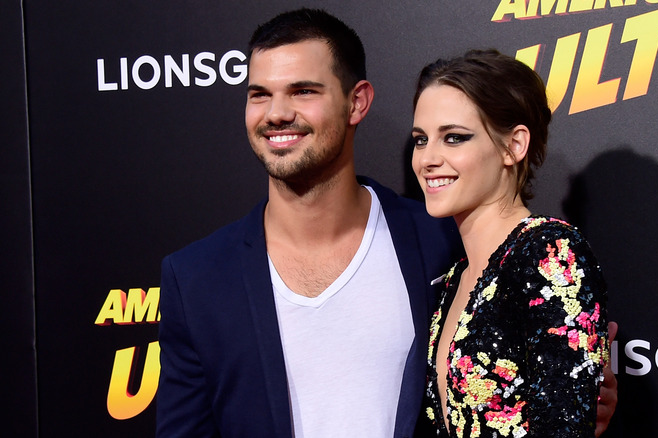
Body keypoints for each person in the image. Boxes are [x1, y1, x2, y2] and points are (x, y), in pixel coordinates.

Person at [156, 9, 616, 438]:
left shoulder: (443, 242)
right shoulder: (196, 277)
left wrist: (576, 392)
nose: (276, 113)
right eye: (260, 94)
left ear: (357, 103)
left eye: (303, 91)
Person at [410, 49, 609, 437]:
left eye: (454, 138)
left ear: (513, 146)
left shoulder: (550, 253)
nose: (428, 159)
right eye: (420, 140)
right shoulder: (455, 276)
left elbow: (564, 428)